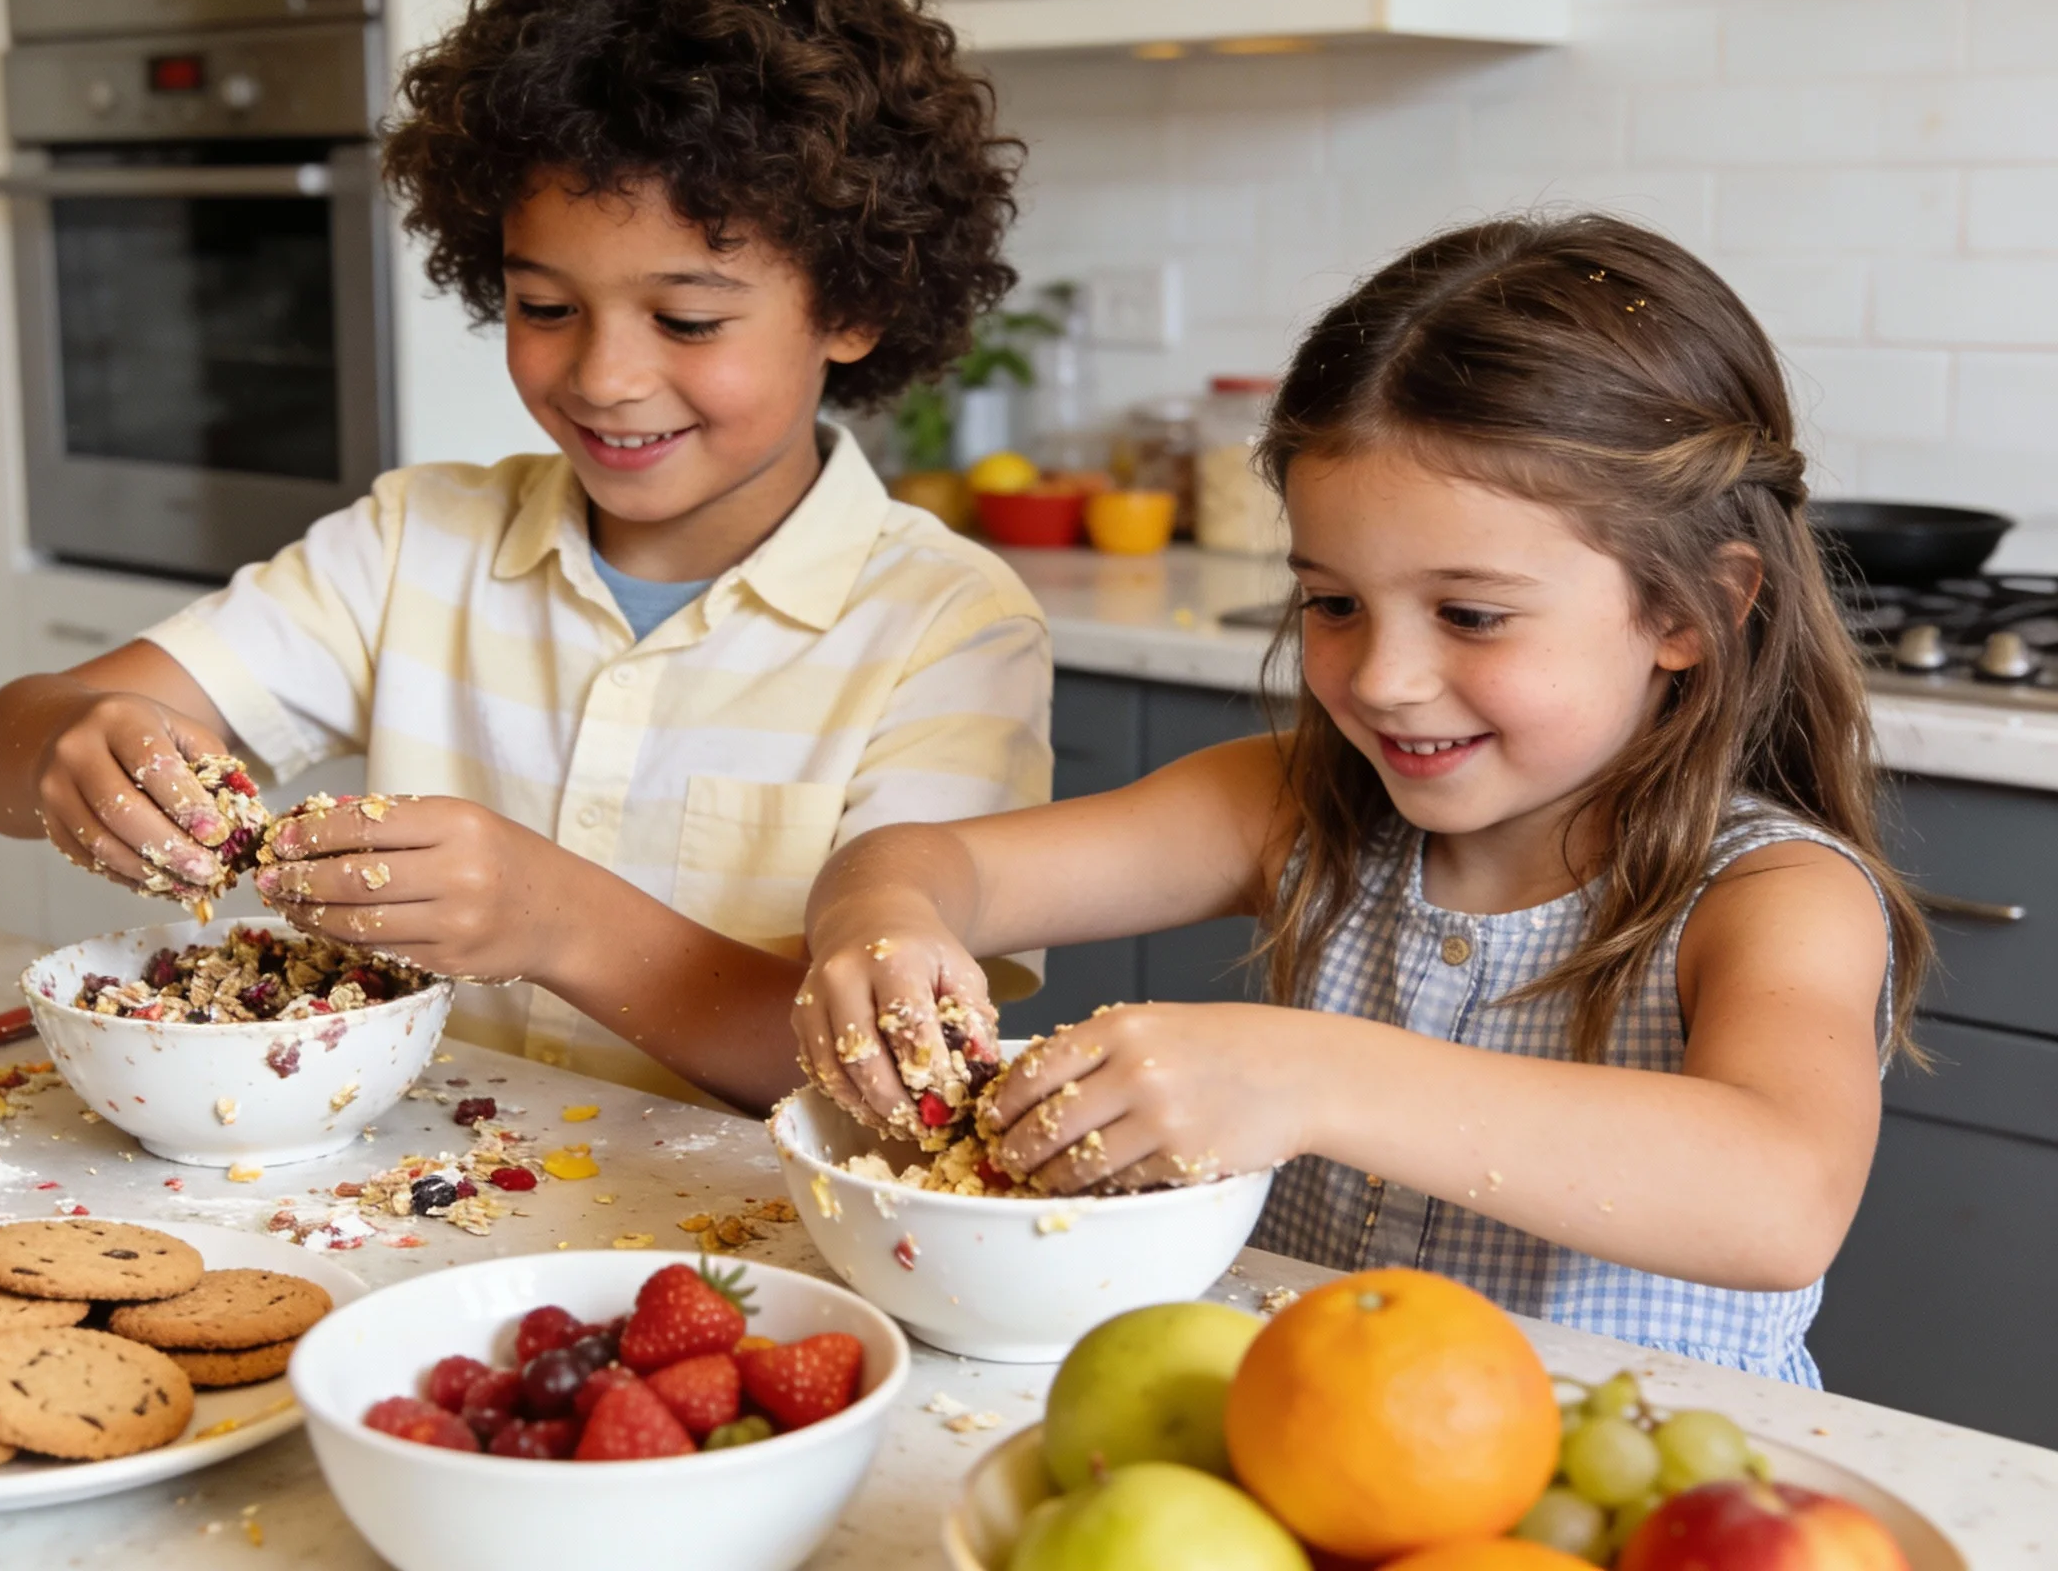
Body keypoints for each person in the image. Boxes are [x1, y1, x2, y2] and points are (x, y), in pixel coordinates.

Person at [795, 213, 1929, 1383]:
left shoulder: (1773, 892)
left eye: (1471, 613)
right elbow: (935, 861)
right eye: (1333, 603)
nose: (1382, 679)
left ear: (1691, 610)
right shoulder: (1294, 803)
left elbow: (1781, 1196)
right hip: (1323, 1450)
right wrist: (883, 926)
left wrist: (1307, 1074)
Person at [0, 0, 1050, 1112]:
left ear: (855, 305)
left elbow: (899, 1075)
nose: (604, 376)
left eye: (686, 320)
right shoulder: (416, 540)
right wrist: (79, 743)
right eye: (545, 305)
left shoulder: (946, 627)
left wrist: (555, 917)